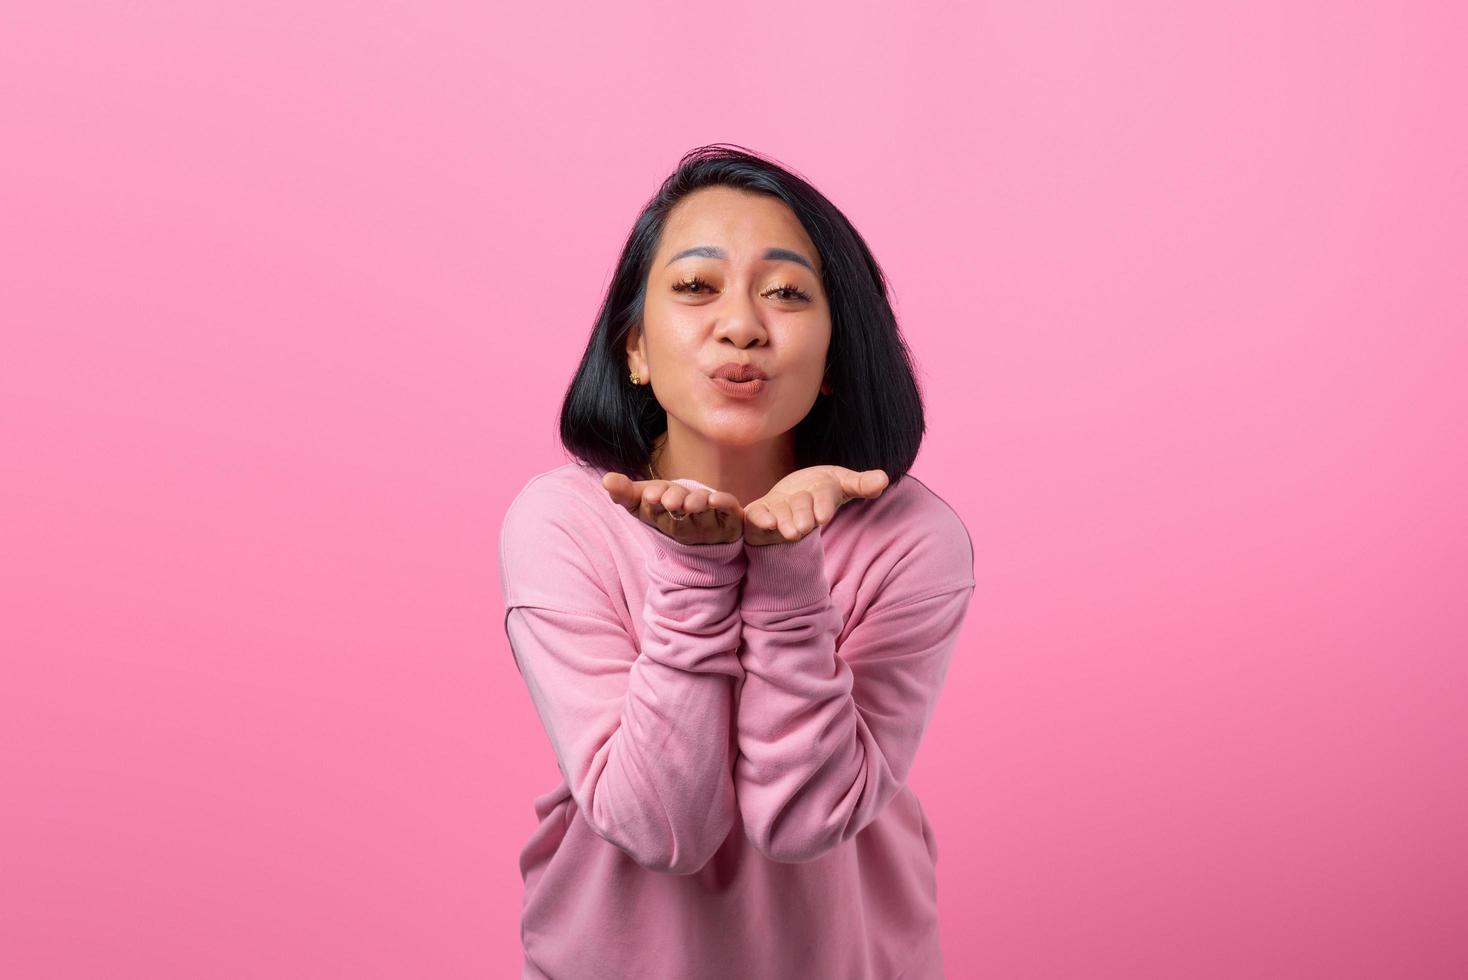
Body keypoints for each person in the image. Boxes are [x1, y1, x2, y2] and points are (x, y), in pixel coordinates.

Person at [498, 144, 975, 979]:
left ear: (834, 362)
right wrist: (697, 574)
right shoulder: (563, 523)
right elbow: (660, 829)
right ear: (636, 349)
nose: (743, 324)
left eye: (788, 293)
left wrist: (787, 569)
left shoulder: (913, 539)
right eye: (694, 286)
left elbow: (804, 821)